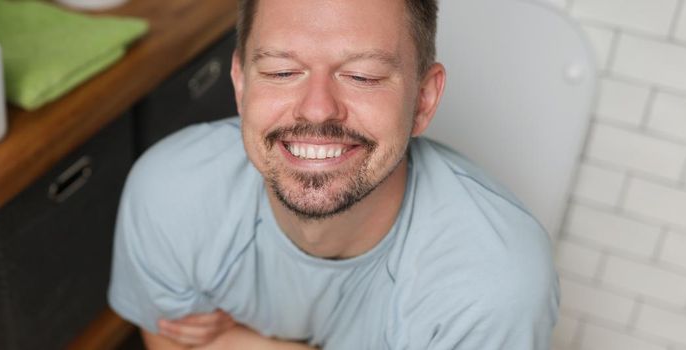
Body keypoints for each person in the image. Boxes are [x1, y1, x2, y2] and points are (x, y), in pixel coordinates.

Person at [107, 0, 559, 348]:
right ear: (242, 86)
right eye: (282, 71)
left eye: (362, 76)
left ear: (423, 100)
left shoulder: (494, 281)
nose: (318, 107)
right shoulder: (172, 195)